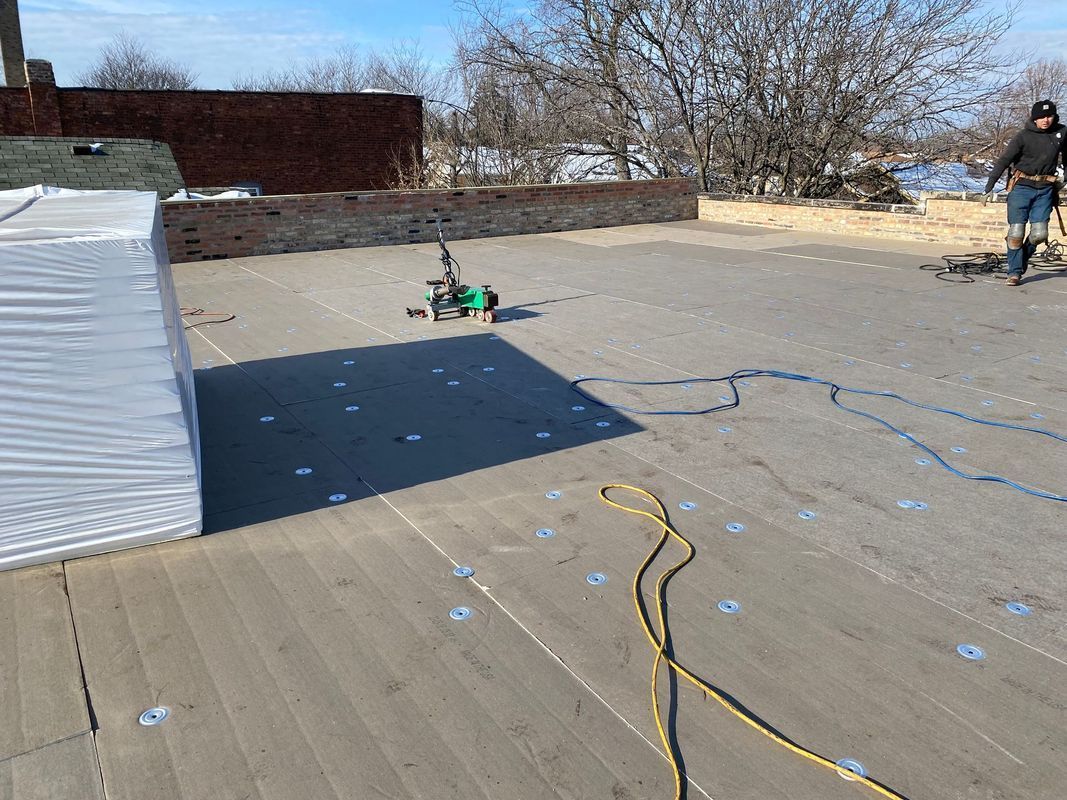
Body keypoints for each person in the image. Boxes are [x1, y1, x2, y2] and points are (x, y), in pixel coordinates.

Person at [983, 99, 1067, 286]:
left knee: (1039, 234)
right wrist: (989, 187)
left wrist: (1065, 178)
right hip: (1021, 187)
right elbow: (1004, 160)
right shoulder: (1023, 136)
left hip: (1045, 189)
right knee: (1016, 232)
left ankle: (1020, 261)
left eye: (1049, 116)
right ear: (1034, 118)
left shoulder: (1061, 133)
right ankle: (1014, 273)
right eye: (1041, 117)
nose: (1046, 120)